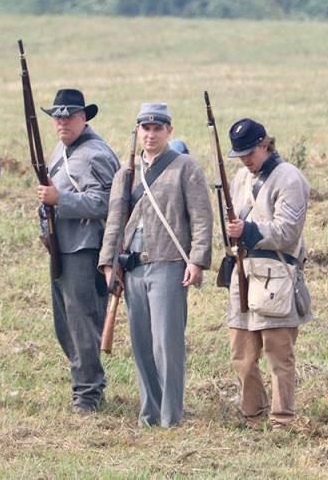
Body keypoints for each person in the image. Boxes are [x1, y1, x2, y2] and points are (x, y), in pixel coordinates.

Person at [98, 102, 213, 427]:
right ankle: (150, 412)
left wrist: (197, 260)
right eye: (145, 128)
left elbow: (202, 218)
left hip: (168, 263)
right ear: (138, 130)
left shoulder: (185, 167)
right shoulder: (127, 171)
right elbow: (115, 218)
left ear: (168, 131)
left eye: (157, 128)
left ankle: (170, 415)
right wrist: (109, 262)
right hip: (133, 266)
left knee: (167, 344)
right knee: (142, 344)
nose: (151, 134)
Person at [221, 118, 312, 428]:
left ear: (265, 144)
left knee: (278, 354)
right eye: (241, 154)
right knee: (241, 354)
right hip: (243, 272)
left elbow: (287, 232)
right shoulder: (239, 179)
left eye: (250, 152)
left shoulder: (290, 178)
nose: (246, 160)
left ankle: (282, 418)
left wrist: (246, 230)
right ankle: (252, 410)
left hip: (277, 274)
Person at [36, 88, 119, 414]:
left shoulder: (96, 153)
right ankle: (85, 384)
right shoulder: (61, 149)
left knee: (82, 323)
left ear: (84, 117)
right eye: (57, 117)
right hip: (61, 246)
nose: (61, 122)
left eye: (68, 116)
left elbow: (106, 203)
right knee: (65, 325)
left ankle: (88, 393)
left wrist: (60, 201)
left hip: (85, 247)